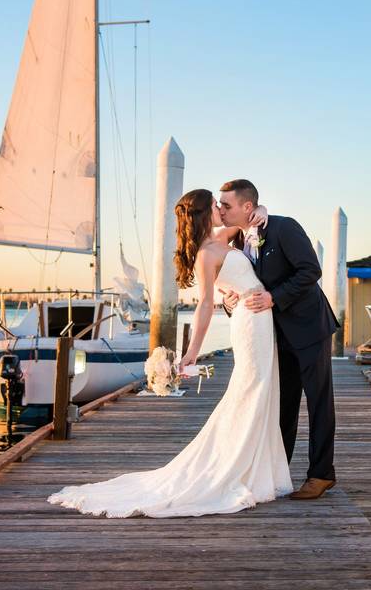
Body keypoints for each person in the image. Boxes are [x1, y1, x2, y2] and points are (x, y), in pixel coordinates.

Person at [47, 189, 291, 517]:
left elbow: (249, 219)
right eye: (216, 205)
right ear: (205, 213)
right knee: (251, 389)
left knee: (261, 389)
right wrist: (192, 351)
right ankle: (236, 469)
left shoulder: (221, 236)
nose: (222, 208)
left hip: (260, 317)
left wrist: (260, 207)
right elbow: (206, 303)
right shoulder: (206, 254)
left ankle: (257, 470)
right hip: (249, 321)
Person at [218, 179, 338, 500]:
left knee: (318, 402)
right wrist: (229, 302)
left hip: (309, 327)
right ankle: (277, 471)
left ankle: (321, 474)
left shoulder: (284, 228)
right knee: (282, 405)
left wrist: (274, 297)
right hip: (271, 335)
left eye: (226, 205)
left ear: (248, 206)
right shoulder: (237, 240)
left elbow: (310, 270)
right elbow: (243, 284)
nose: (221, 210)